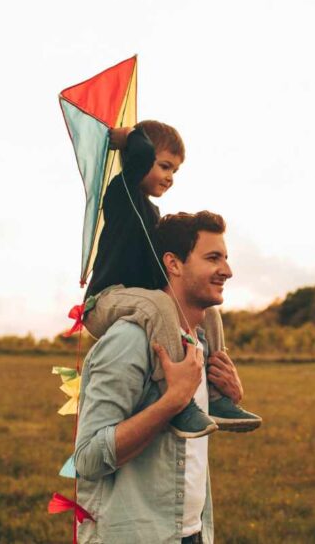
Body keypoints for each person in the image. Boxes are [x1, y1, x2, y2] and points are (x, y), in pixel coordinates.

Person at [81, 121, 261, 438]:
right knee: (160, 303)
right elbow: (140, 152)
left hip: (140, 298)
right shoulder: (122, 194)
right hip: (105, 300)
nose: (170, 177)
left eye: (175, 171)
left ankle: (217, 397)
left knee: (210, 314)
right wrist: (128, 138)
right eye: (165, 166)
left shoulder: (153, 215)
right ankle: (178, 400)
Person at [74, 211, 243, 543]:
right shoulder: (130, 341)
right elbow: (88, 459)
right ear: (174, 263)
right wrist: (172, 402)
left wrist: (228, 396)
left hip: (192, 532)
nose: (227, 270)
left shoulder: (201, 343)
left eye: (225, 258)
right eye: (213, 258)